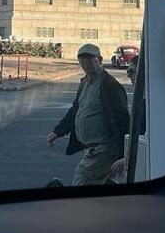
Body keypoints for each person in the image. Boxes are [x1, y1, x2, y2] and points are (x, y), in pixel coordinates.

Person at [47, 43, 131, 186]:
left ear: (100, 59)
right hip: (91, 149)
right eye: (82, 60)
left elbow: (123, 120)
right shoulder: (85, 82)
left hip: (103, 150)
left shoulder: (110, 85)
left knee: (82, 180)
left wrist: (124, 156)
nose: (86, 63)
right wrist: (58, 132)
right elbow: (75, 110)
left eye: (90, 59)